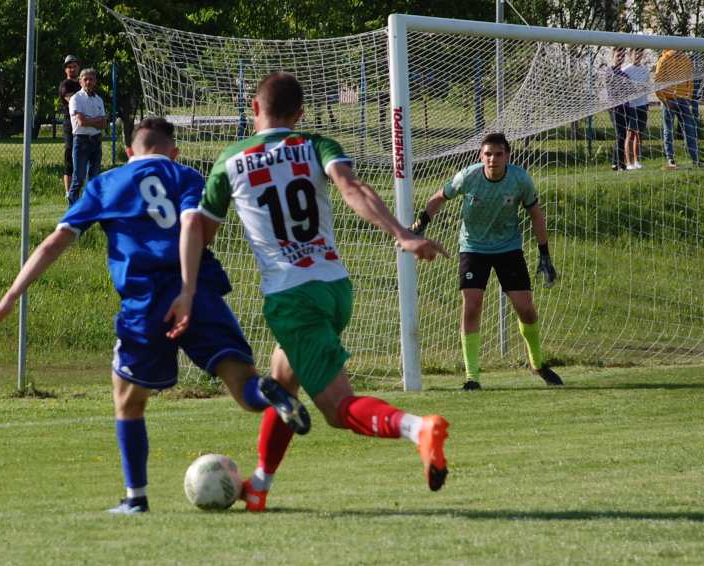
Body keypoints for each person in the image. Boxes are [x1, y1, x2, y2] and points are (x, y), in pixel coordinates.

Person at [0, 117, 311, 515]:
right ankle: (272, 393)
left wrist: (12, 293)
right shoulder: (187, 176)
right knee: (245, 390)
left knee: (128, 401)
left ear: (128, 152)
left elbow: (55, 243)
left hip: (146, 301)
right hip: (200, 293)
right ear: (173, 152)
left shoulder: (105, 184)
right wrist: (188, 289)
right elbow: (197, 227)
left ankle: (135, 497)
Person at [178, 72, 451, 511]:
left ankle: (417, 428)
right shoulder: (316, 144)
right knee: (284, 380)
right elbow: (352, 188)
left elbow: (201, 230)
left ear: (254, 109)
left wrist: (187, 277)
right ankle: (260, 487)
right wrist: (401, 233)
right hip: (334, 287)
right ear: (300, 114)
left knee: (337, 408)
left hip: (291, 296)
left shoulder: (231, 160)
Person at [410, 132, 563, 391]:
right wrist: (421, 225)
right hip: (473, 248)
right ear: (481, 156)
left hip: (508, 248)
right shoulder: (467, 177)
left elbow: (536, 214)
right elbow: (438, 198)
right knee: (472, 305)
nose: (492, 159)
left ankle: (537, 363)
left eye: (498, 154)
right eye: (488, 154)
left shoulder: (520, 179)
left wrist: (544, 254)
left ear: (508, 156)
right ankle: (472, 377)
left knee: (525, 308)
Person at [654, 49, 701, 170]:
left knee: (689, 128)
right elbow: (657, 82)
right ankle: (670, 159)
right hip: (669, 100)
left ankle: (695, 158)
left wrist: (688, 97)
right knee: (668, 130)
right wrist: (664, 99)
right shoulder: (664, 60)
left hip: (683, 100)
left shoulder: (686, 60)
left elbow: (690, 81)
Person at [68, 68, 106, 205]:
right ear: (80, 82)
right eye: (85, 79)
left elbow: (103, 124)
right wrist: (94, 120)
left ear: (95, 81)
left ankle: (90, 208)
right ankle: (72, 210)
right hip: (81, 140)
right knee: (78, 179)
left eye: (91, 79)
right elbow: (81, 122)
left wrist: (89, 120)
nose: (88, 82)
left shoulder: (98, 100)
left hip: (96, 140)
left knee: (94, 178)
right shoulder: (75, 99)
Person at [622, 48, 649, 170]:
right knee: (630, 134)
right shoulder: (626, 70)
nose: (638, 55)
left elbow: (647, 87)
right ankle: (628, 163)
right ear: (630, 55)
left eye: (640, 53)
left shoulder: (645, 70)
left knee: (639, 134)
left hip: (642, 105)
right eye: (635, 53)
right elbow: (623, 89)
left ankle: (637, 160)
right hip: (631, 106)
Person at [58, 55, 81, 195]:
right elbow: (73, 101)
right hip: (70, 124)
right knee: (70, 157)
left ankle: (82, 189)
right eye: (69, 67)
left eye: (74, 66)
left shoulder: (83, 82)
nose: (72, 69)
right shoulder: (65, 85)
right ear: (66, 70)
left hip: (84, 125)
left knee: (83, 157)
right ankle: (69, 192)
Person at [605, 47, 630, 171]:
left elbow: (628, 91)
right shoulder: (609, 72)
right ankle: (621, 164)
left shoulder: (625, 74)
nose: (620, 58)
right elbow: (614, 87)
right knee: (620, 134)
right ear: (613, 56)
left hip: (625, 107)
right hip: (614, 108)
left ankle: (615, 163)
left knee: (622, 135)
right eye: (618, 56)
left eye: (622, 56)